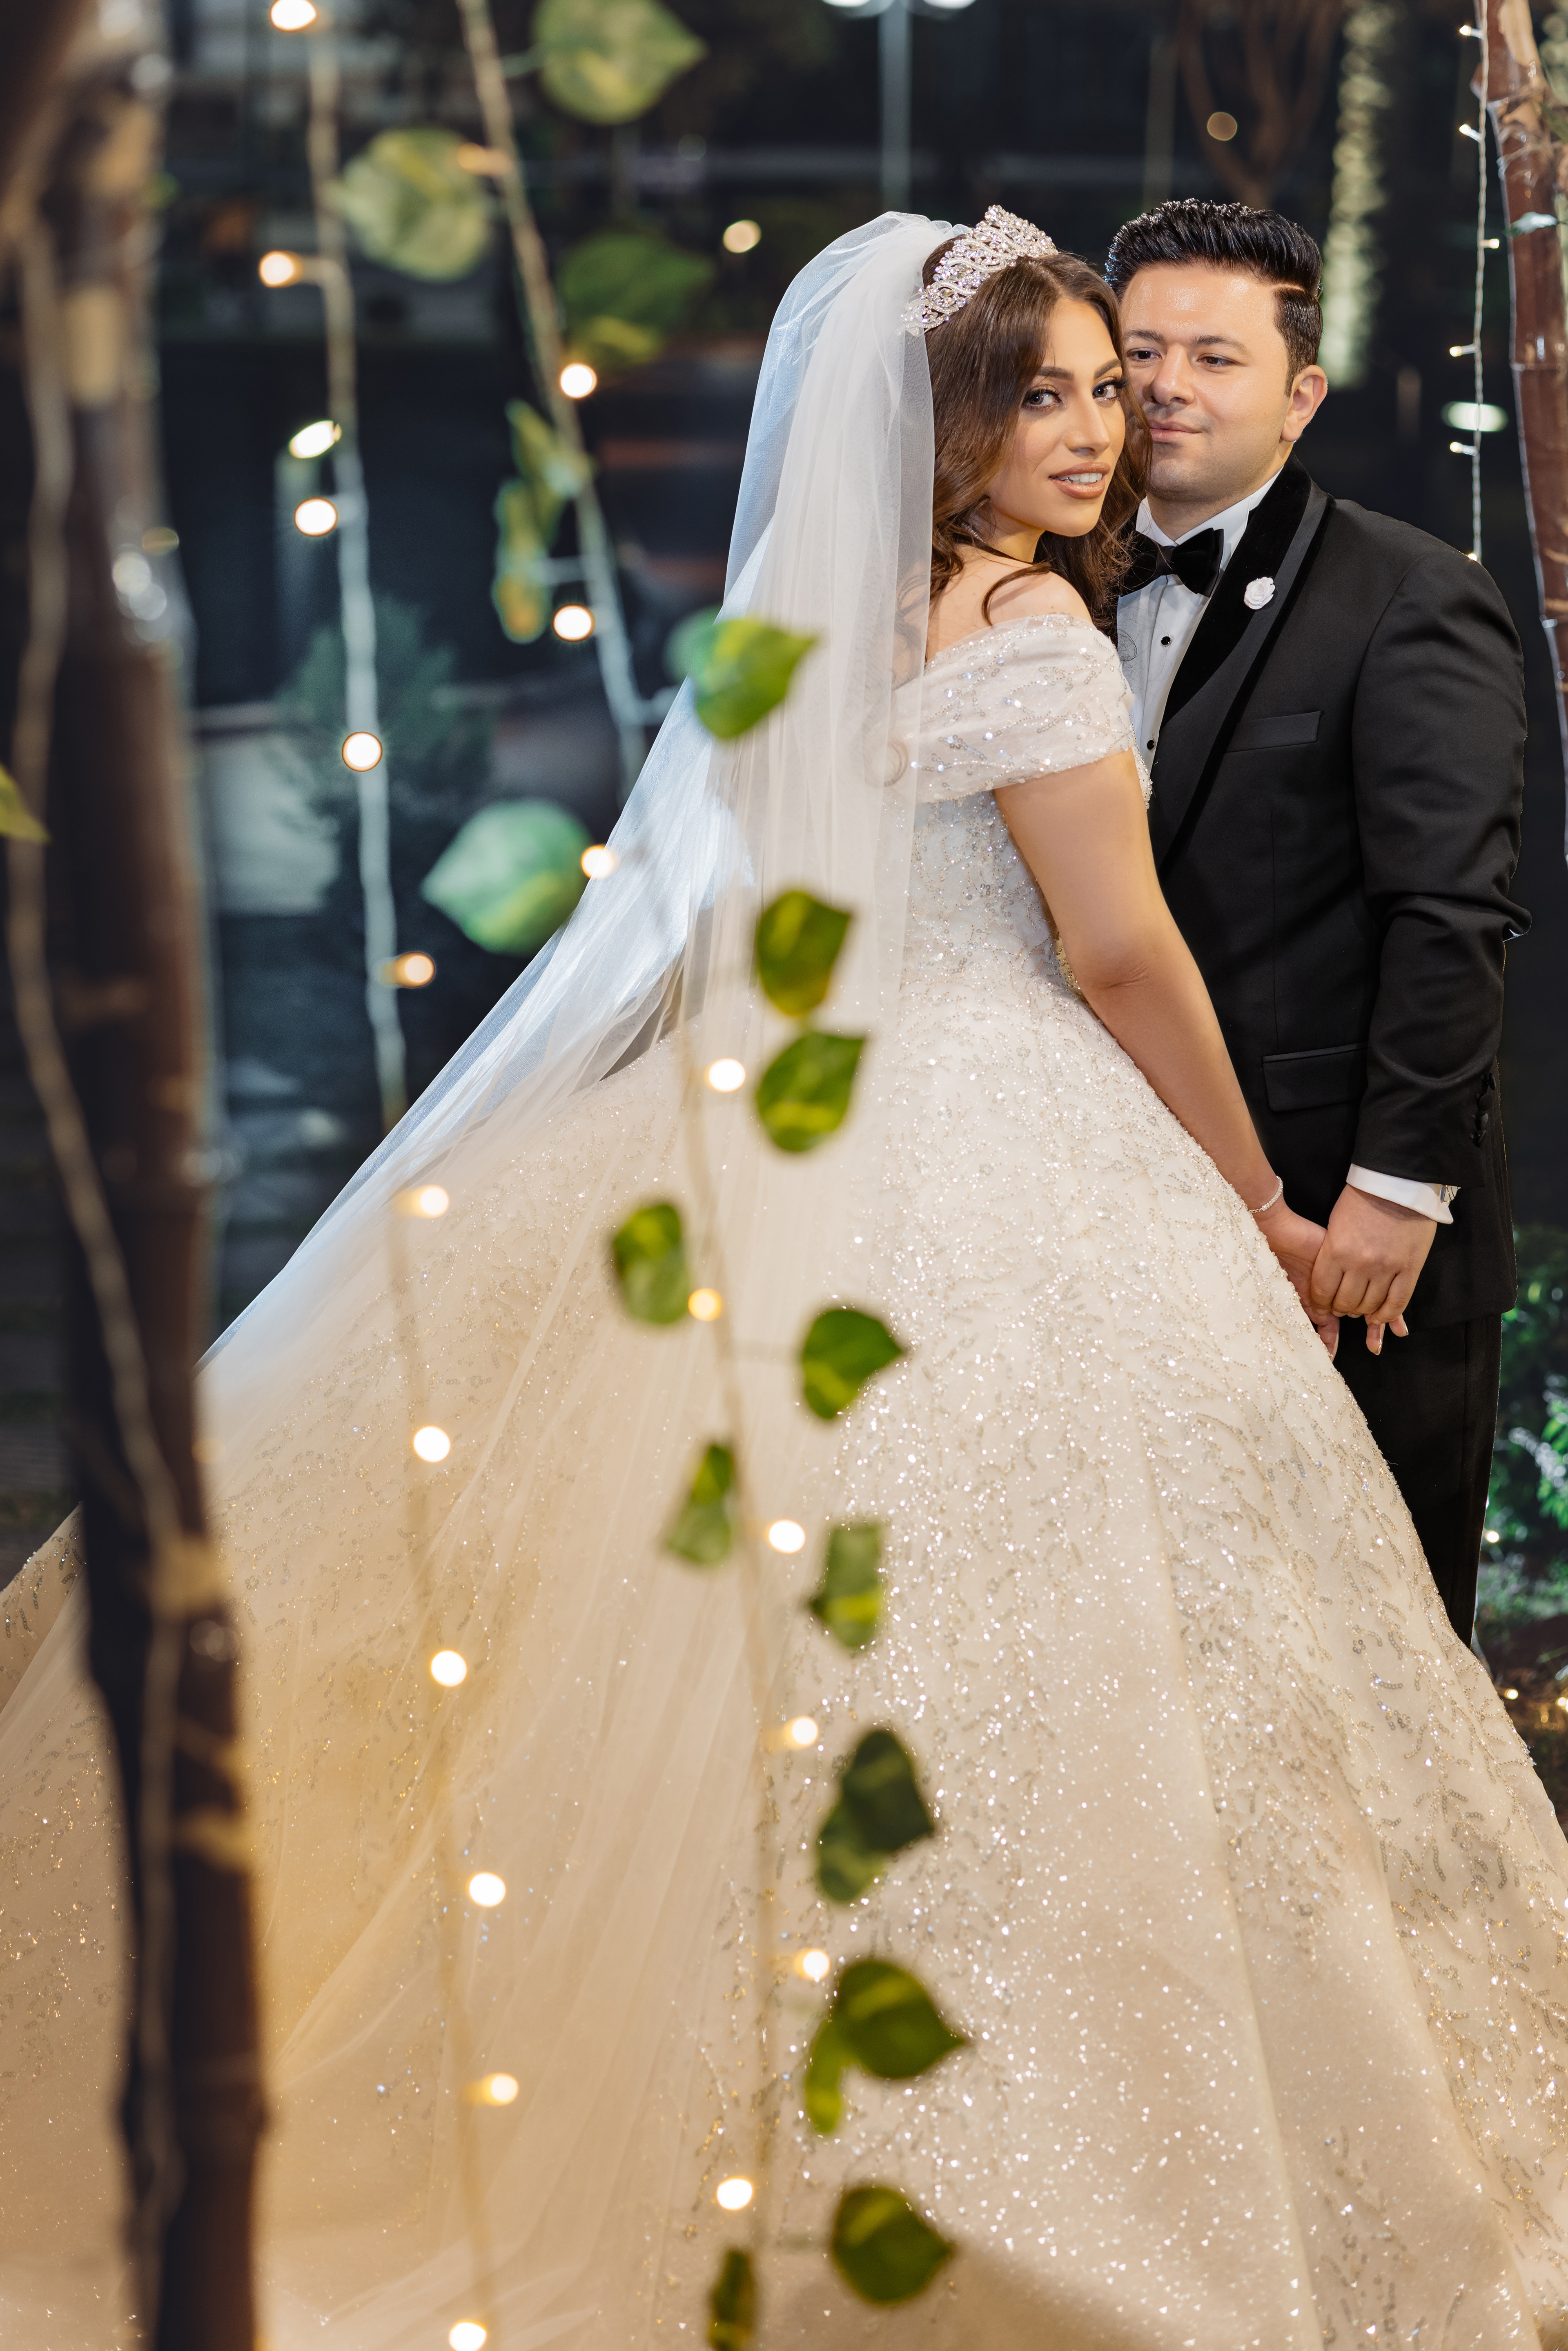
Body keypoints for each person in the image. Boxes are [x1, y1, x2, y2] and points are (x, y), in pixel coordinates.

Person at [2, 210, 1568, 2349]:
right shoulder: (1026, 626)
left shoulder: (796, 622)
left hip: (783, 1114)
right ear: (939, 426)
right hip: (1007, 1130)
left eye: (1113, 388)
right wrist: (1259, 1206)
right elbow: (1116, 954)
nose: (1099, 430)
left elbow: (704, 921)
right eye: (1046, 392)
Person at [1104, 198, 1529, 1647]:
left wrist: (1395, 1193)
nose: (1166, 384)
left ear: (1298, 397)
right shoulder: (1029, 589)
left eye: (1213, 357)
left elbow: (1450, 913)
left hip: (1347, 1231)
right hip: (1101, 1208)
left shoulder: (1412, 596)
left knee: (1374, 1649)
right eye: (1138, 349)